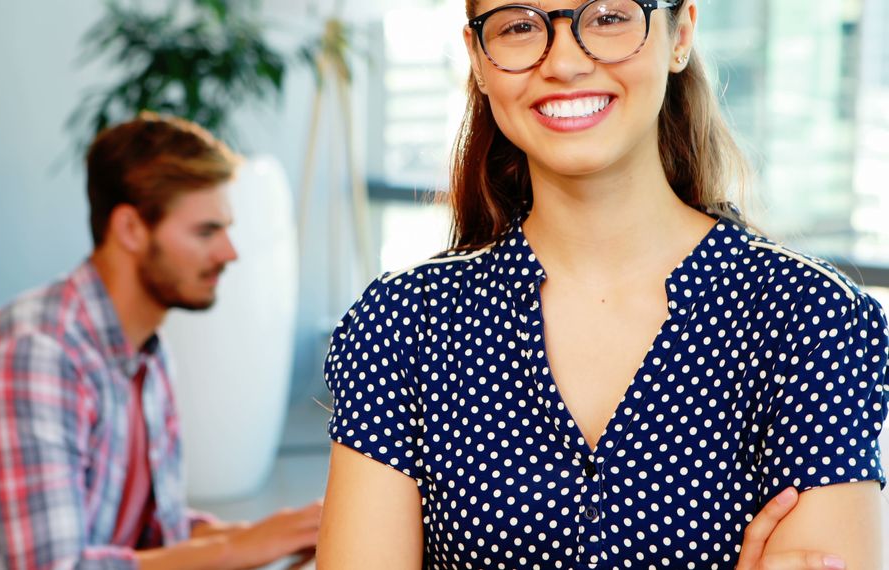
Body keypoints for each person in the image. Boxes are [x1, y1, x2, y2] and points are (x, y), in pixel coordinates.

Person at [318, 0, 887, 568]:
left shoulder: (810, 318)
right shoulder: (402, 323)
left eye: (609, 17)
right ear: (479, 60)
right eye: (519, 26)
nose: (563, 62)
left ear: (681, 32)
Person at [0, 114, 321, 570]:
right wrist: (234, 550)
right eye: (206, 231)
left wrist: (268, 536)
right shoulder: (35, 356)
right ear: (131, 229)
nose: (229, 252)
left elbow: (158, 534)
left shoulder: (146, 355)